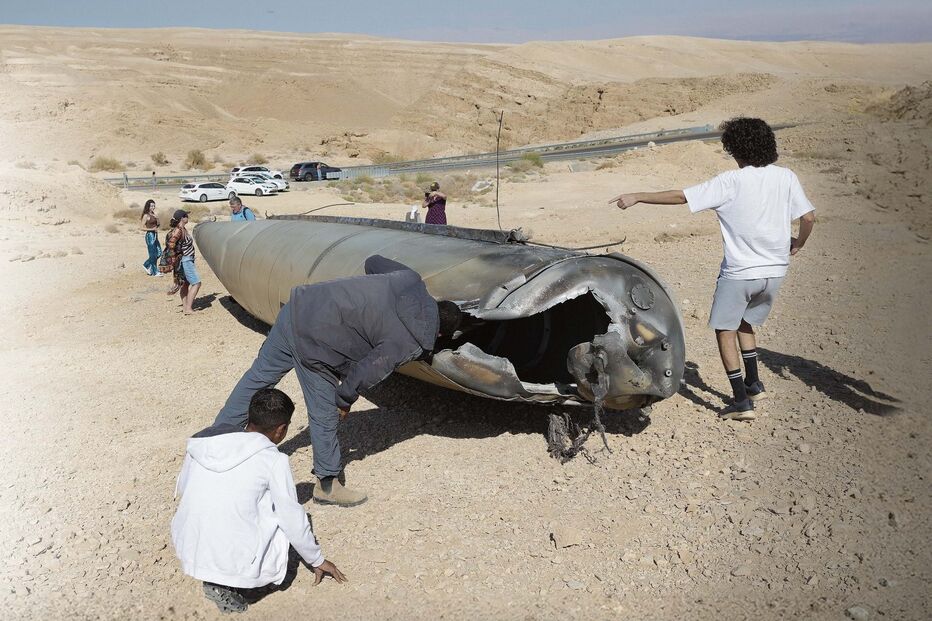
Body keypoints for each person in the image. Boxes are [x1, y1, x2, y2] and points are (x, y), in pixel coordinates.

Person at [609, 117, 816, 421]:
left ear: (735, 147)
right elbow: (809, 217)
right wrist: (798, 243)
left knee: (725, 330)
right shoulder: (786, 177)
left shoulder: (730, 182)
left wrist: (638, 196)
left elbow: (682, 196)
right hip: (774, 271)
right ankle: (754, 383)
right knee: (746, 322)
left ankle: (741, 402)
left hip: (740, 273)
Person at [214, 255, 464, 506]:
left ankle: (216, 439)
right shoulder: (410, 340)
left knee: (258, 378)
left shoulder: (409, 279)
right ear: (441, 332)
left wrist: (366, 305)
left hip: (300, 308)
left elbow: (373, 261)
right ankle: (327, 485)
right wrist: (344, 399)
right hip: (319, 345)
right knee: (325, 411)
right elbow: (370, 369)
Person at [172, 388, 346, 614]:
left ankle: (214, 567)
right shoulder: (273, 460)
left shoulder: (203, 441)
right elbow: (291, 516)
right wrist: (317, 559)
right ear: (281, 430)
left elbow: (184, 487)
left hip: (189, 542)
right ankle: (224, 581)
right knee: (276, 517)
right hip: (225, 553)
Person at [166, 209, 202, 314]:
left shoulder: (182, 229)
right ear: (182, 218)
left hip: (185, 259)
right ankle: (188, 308)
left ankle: (186, 307)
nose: (188, 217)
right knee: (196, 283)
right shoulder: (179, 230)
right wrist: (176, 254)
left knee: (185, 284)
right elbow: (171, 243)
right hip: (186, 260)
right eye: (186, 215)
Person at [141, 199, 162, 276]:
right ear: (148, 207)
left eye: (154, 205)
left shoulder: (154, 214)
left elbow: (158, 225)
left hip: (155, 235)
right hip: (149, 235)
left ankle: (146, 264)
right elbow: (142, 227)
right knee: (153, 254)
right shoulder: (146, 215)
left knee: (159, 253)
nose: (153, 207)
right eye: (151, 206)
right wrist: (151, 229)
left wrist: (157, 218)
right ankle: (154, 272)